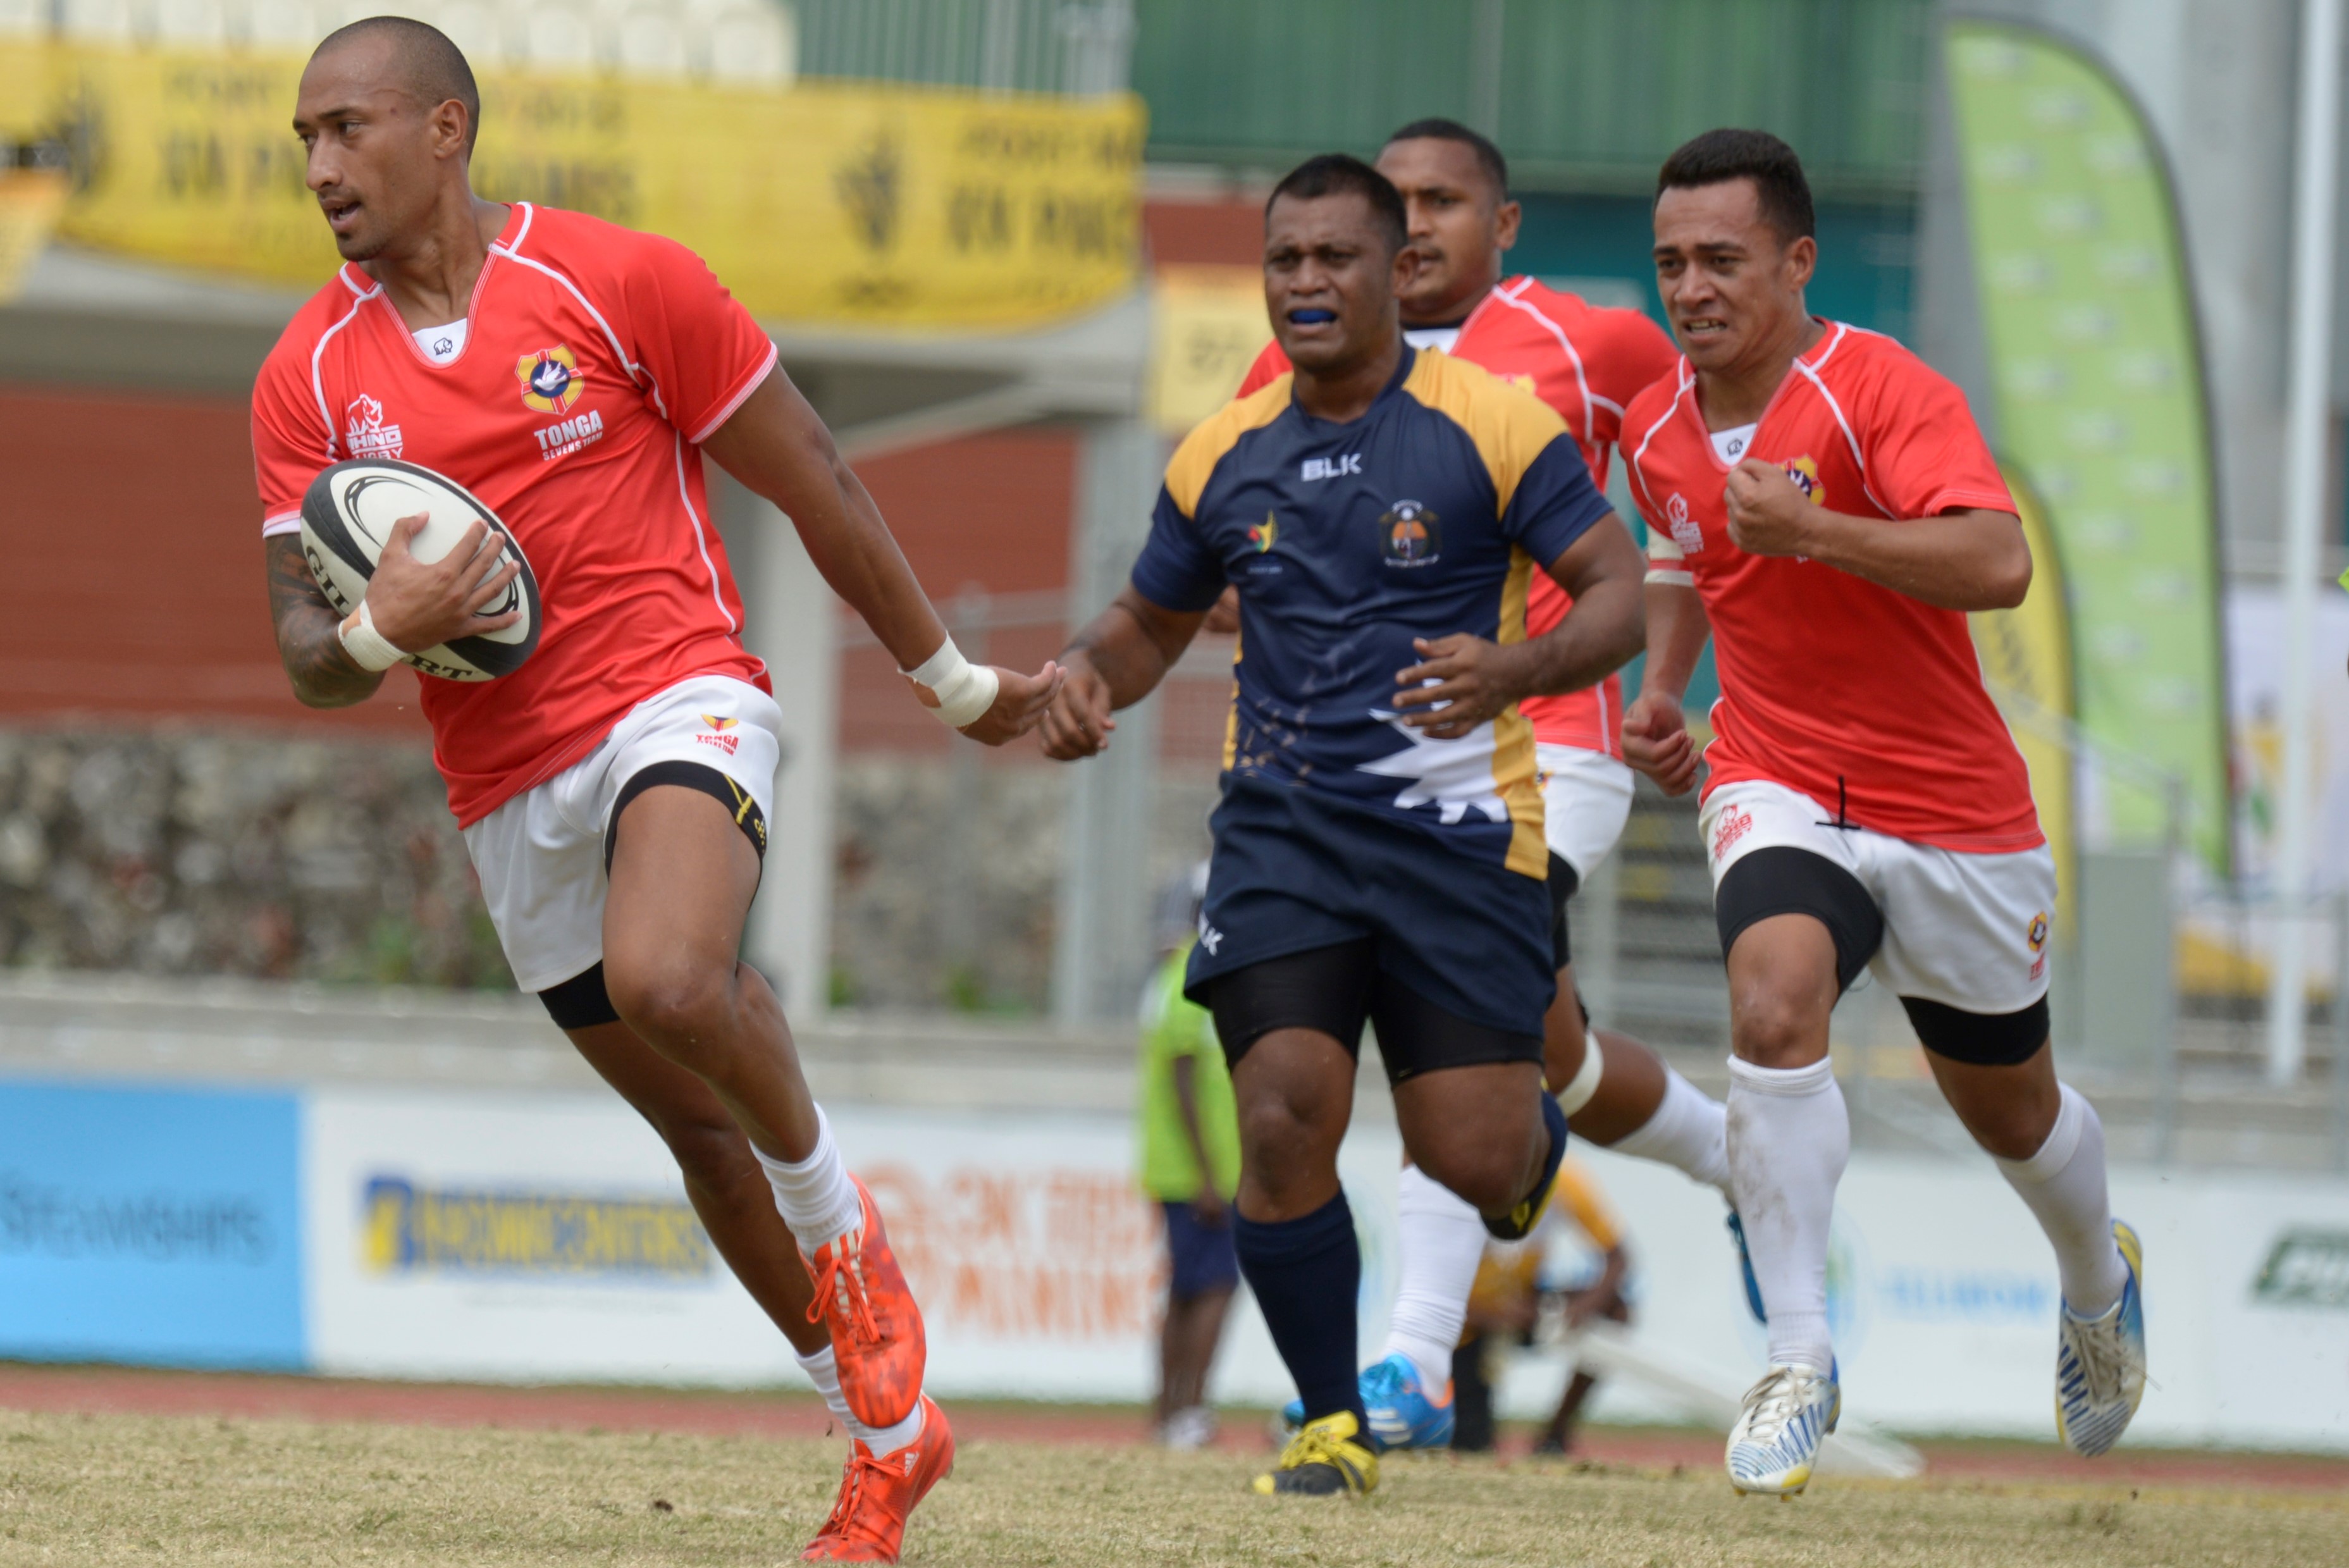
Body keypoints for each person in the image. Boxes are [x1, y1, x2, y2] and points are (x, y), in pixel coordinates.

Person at [250, 20, 1061, 1560]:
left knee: (673, 973)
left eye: (349, 130)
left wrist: (947, 678)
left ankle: (846, 1231)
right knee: (697, 1137)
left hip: (674, 692)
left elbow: (808, 467)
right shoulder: (307, 376)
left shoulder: (623, 283)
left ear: (447, 129)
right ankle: (885, 1436)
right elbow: (305, 655)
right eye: (304, 139)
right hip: (502, 783)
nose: (320, 168)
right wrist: (378, 628)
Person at [1041, 152, 1648, 1498]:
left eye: (1336, 259)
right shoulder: (1227, 447)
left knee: (1472, 1156)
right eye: (1285, 262)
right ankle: (1331, 1420)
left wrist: (1518, 673)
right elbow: (1148, 619)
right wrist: (1087, 673)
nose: (1307, 283)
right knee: (1280, 1117)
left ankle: (1531, 1147)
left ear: (1396, 273)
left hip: (1457, 839)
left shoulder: (1490, 422)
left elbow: (1617, 589)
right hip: (1284, 837)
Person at [1617, 128, 2145, 1497]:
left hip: (1954, 811)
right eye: (1672, 261)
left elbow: (1999, 560)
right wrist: (1667, 691)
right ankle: (1800, 1354)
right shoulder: (1659, 421)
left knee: (2012, 1116)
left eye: (1722, 259)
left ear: (1797, 261)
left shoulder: (1881, 388)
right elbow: (1681, 549)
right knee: (1773, 1001)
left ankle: (2097, 1271)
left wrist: (1820, 532)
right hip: (1777, 774)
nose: (1692, 287)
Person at [1235, 118, 1741, 1455]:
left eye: (1444, 202)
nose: (1416, 228)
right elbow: (1239, 543)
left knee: (1450, 1016)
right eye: (1394, 205)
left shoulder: (1599, 347)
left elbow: (1683, 524)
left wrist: (1664, 687)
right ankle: (1741, 1155)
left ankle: (1413, 1363)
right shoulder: (1304, 354)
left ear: (1501, 226)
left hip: (1549, 749)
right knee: (1553, 1057)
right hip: (1359, 777)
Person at [1136, 867, 1242, 1450]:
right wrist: (1207, 1173)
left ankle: (1171, 1411)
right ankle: (1189, 1409)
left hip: (1189, 1168)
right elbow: (1183, 1076)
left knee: (1188, 1287)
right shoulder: (1191, 978)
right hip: (1198, 1171)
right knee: (1215, 1286)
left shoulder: (1177, 975)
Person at [1446, 1157, 1629, 1457]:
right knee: (1471, 1445)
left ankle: (1554, 1435)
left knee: (1616, 1309)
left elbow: (1619, 1257)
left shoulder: (1563, 1180)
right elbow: (1432, 1290)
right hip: (1468, 1324)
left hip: (1524, 1306)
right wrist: (1496, 1314)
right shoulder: (1463, 1184)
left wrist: (1581, 1309)